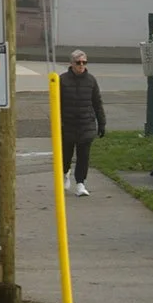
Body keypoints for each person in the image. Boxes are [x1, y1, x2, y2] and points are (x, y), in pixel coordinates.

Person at [60, 49, 106, 197]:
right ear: (71, 63)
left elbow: (97, 103)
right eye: (78, 62)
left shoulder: (91, 80)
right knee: (66, 155)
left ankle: (80, 183)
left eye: (84, 62)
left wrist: (102, 123)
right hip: (67, 124)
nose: (81, 65)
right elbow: (56, 103)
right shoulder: (62, 80)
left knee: (83, 156)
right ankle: (65, 173)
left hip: (86, 124)